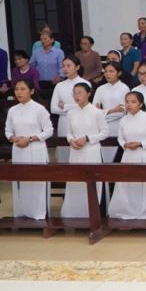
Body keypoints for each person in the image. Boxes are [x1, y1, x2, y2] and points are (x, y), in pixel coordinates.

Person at [5, 79, 54, 219]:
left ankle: (38, 213)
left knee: (37, 181)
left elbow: (49, 130)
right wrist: (12, 138)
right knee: (21, 180)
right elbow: (8, 130)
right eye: (16, 89)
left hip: (36, 149)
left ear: (31, 91)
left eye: (22, 89)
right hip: (18, 150)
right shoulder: (12, 110)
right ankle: (22, 213)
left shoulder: (39, 109)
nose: (18, 92)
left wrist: (30, 139)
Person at [108, 91, 146, 220]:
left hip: (145, 155)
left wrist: (140, 144)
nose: (129, 105)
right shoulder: (123, 120)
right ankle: (126, 210)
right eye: (127, 102)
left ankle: (143, 211)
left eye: (133, 102)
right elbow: (120, 138)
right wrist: (125, 144)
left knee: (143, 184)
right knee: (127, 184)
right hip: (128, 155)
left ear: (141, 104)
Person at [60, 83, 107, 219]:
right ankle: (75, 213)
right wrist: (71, 140)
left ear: (88, 94)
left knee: (92, 182)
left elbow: (104, 132)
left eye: (80, 92)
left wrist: (87, 138)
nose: (76, 96)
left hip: (91, 151)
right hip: (76, 151)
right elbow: (68, 131)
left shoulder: (96, 112)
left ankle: (93, 214)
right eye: (74, 93)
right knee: (76, 181)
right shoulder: (71, 113)